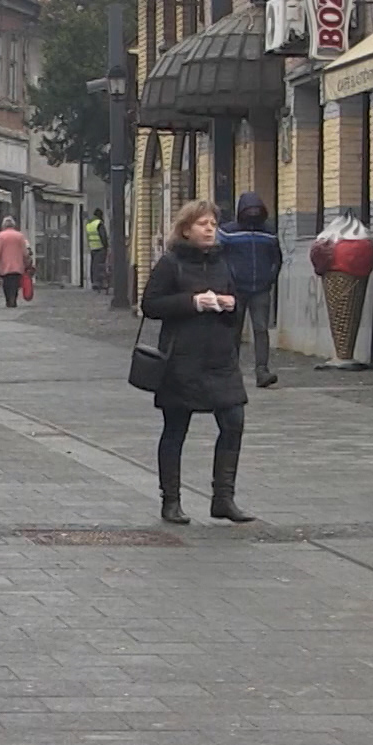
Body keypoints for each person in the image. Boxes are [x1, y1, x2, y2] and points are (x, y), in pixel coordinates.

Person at [139, 199, 255, 526]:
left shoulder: (222, 262)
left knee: (233, 422)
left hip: (220, 360)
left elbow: (235, 304)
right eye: (202, 224)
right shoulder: (170, 263)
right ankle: (171, 501)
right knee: (176, 429)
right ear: (186, 229)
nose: (209, 229)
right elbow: (151, 305)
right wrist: (193, 302)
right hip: (181, 361)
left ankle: (223, 498)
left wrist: (230, 305)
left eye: (213, 224)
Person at [217, 191, 286, 388]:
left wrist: (270, 278)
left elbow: (277, 258)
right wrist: (227, 281)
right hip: (235, 289)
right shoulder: (228, 232)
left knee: (261, 329)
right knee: (233, 331)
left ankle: (262, 370)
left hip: (261, 289)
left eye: (257, 209)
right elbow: (219, 257)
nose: (253, 213)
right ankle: (230, 371)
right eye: (250, 209)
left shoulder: (269, 232)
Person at [0, 217, 31, 308]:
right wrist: (26, 259)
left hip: (5, 264)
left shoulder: (1, 236)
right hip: (17, 263)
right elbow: (24, 251)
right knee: (15, 283)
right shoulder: (20, 236)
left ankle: (8, 299)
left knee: (6, 282)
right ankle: (14, 298)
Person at [86, 211, 109, 292]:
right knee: (100, 266)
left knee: (93, 266)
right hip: (100, 247)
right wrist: (106, 246)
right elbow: (103, 236)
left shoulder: (89, 224)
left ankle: (94, 282)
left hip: (92, 247)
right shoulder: (99, 223)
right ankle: (99, 283)